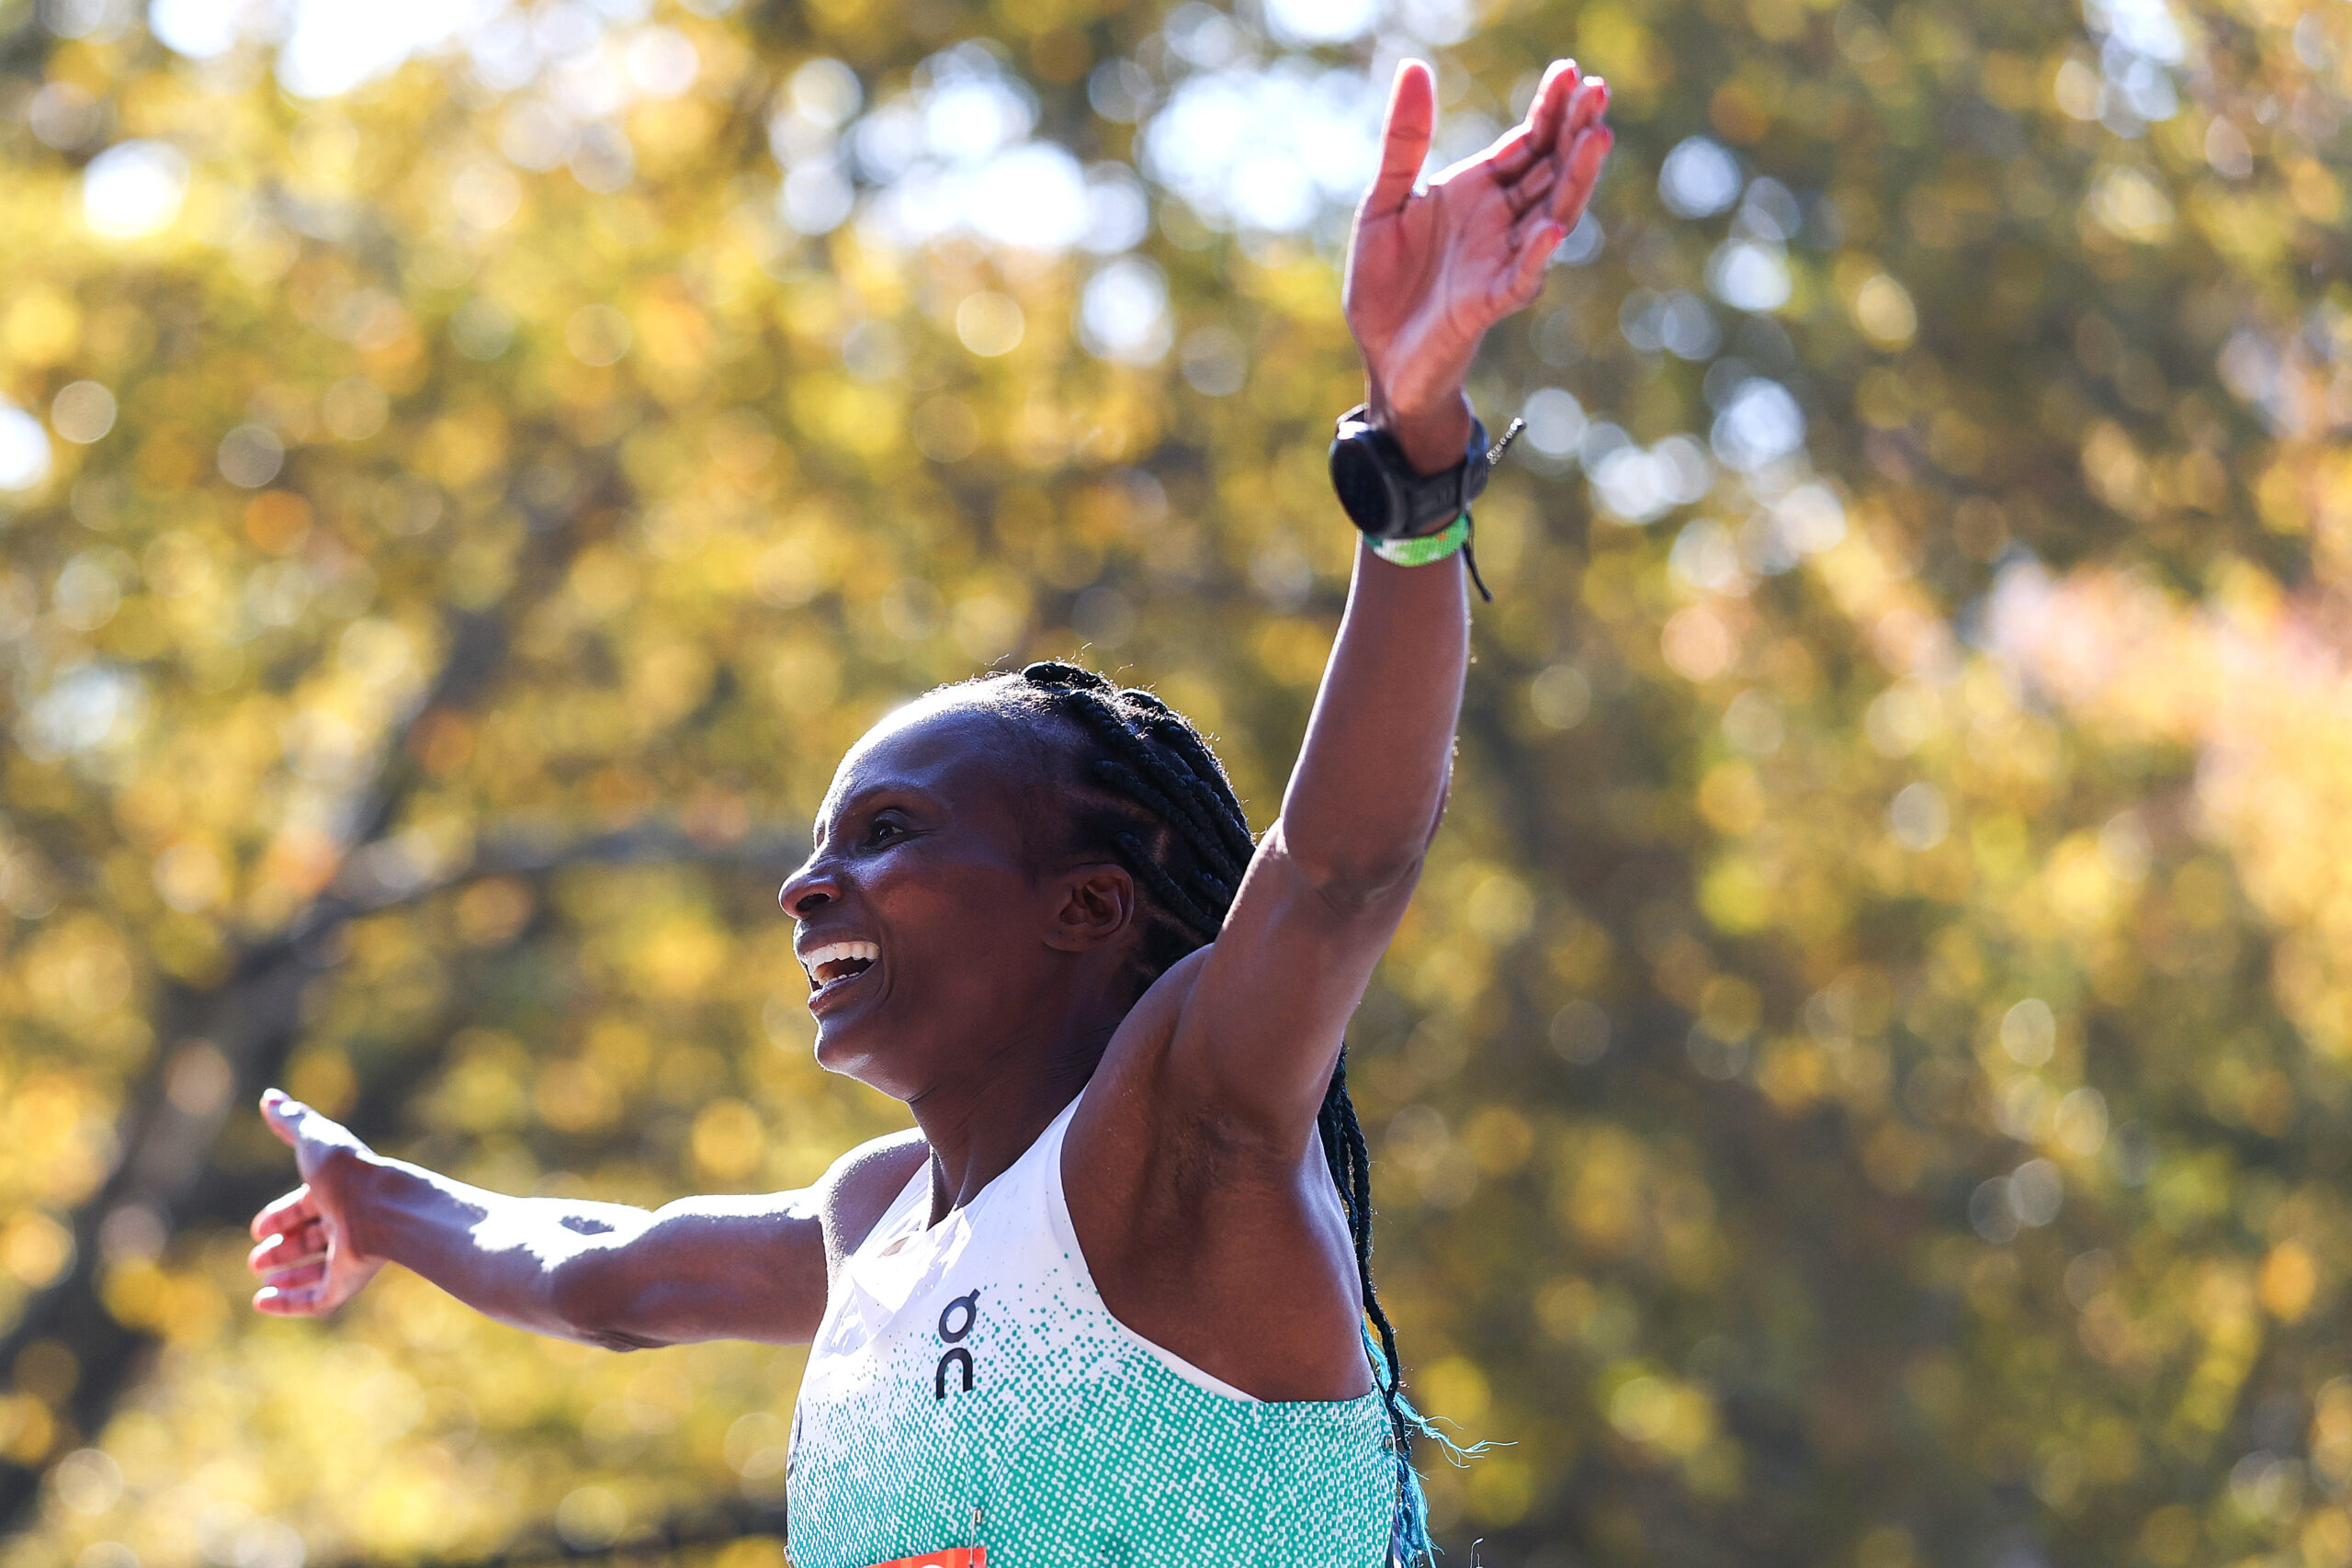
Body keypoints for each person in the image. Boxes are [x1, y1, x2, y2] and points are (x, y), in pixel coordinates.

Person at [247, 54, 1611, 1568]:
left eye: (887, 835)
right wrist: (381, 1203)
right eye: (825, 844)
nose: (806, 886)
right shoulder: (875, 1224)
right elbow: (603, 1275)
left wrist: (1414, 458)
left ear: (1086, 904)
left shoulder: (1178, 1139)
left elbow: (1340, 873)